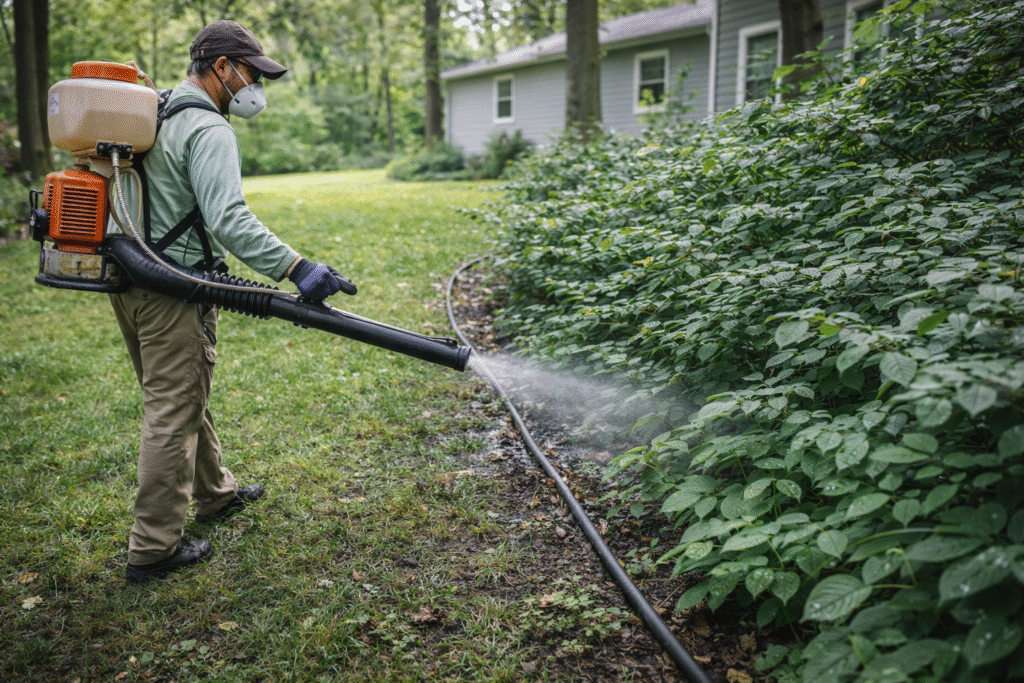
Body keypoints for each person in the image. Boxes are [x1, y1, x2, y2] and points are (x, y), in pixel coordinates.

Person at [109, 20, 354, 582]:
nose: (255, 86)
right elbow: (229, 219)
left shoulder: (156, 112)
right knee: (173, 409)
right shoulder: (207, 129)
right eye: (252, 73)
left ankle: (215, 493)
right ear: (222, 67)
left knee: (181, 390)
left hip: (131, 282)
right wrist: (297, 268)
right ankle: (153, 549)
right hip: (175, 288)